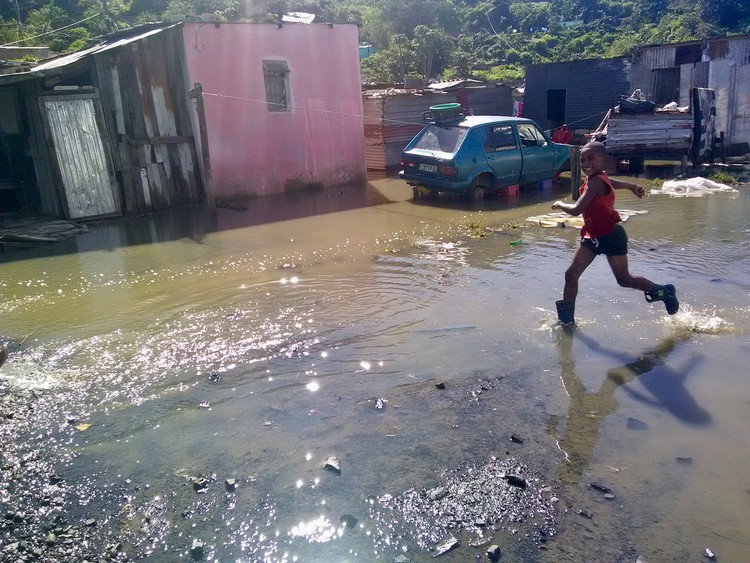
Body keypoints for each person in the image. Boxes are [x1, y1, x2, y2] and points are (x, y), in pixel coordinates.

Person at [551, 141, 678, 324]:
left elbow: (577, 209)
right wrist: (631, 186)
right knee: (571, 275)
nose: (586, 163)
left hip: (611, 236)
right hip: (593, 236)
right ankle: (566, 321)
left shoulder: (595, 182)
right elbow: (612, 182)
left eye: (591, 158)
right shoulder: (597, 178)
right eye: (583, 159)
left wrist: (560, 204)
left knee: (624, 279)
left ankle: (663, 291)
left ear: (604, 161)